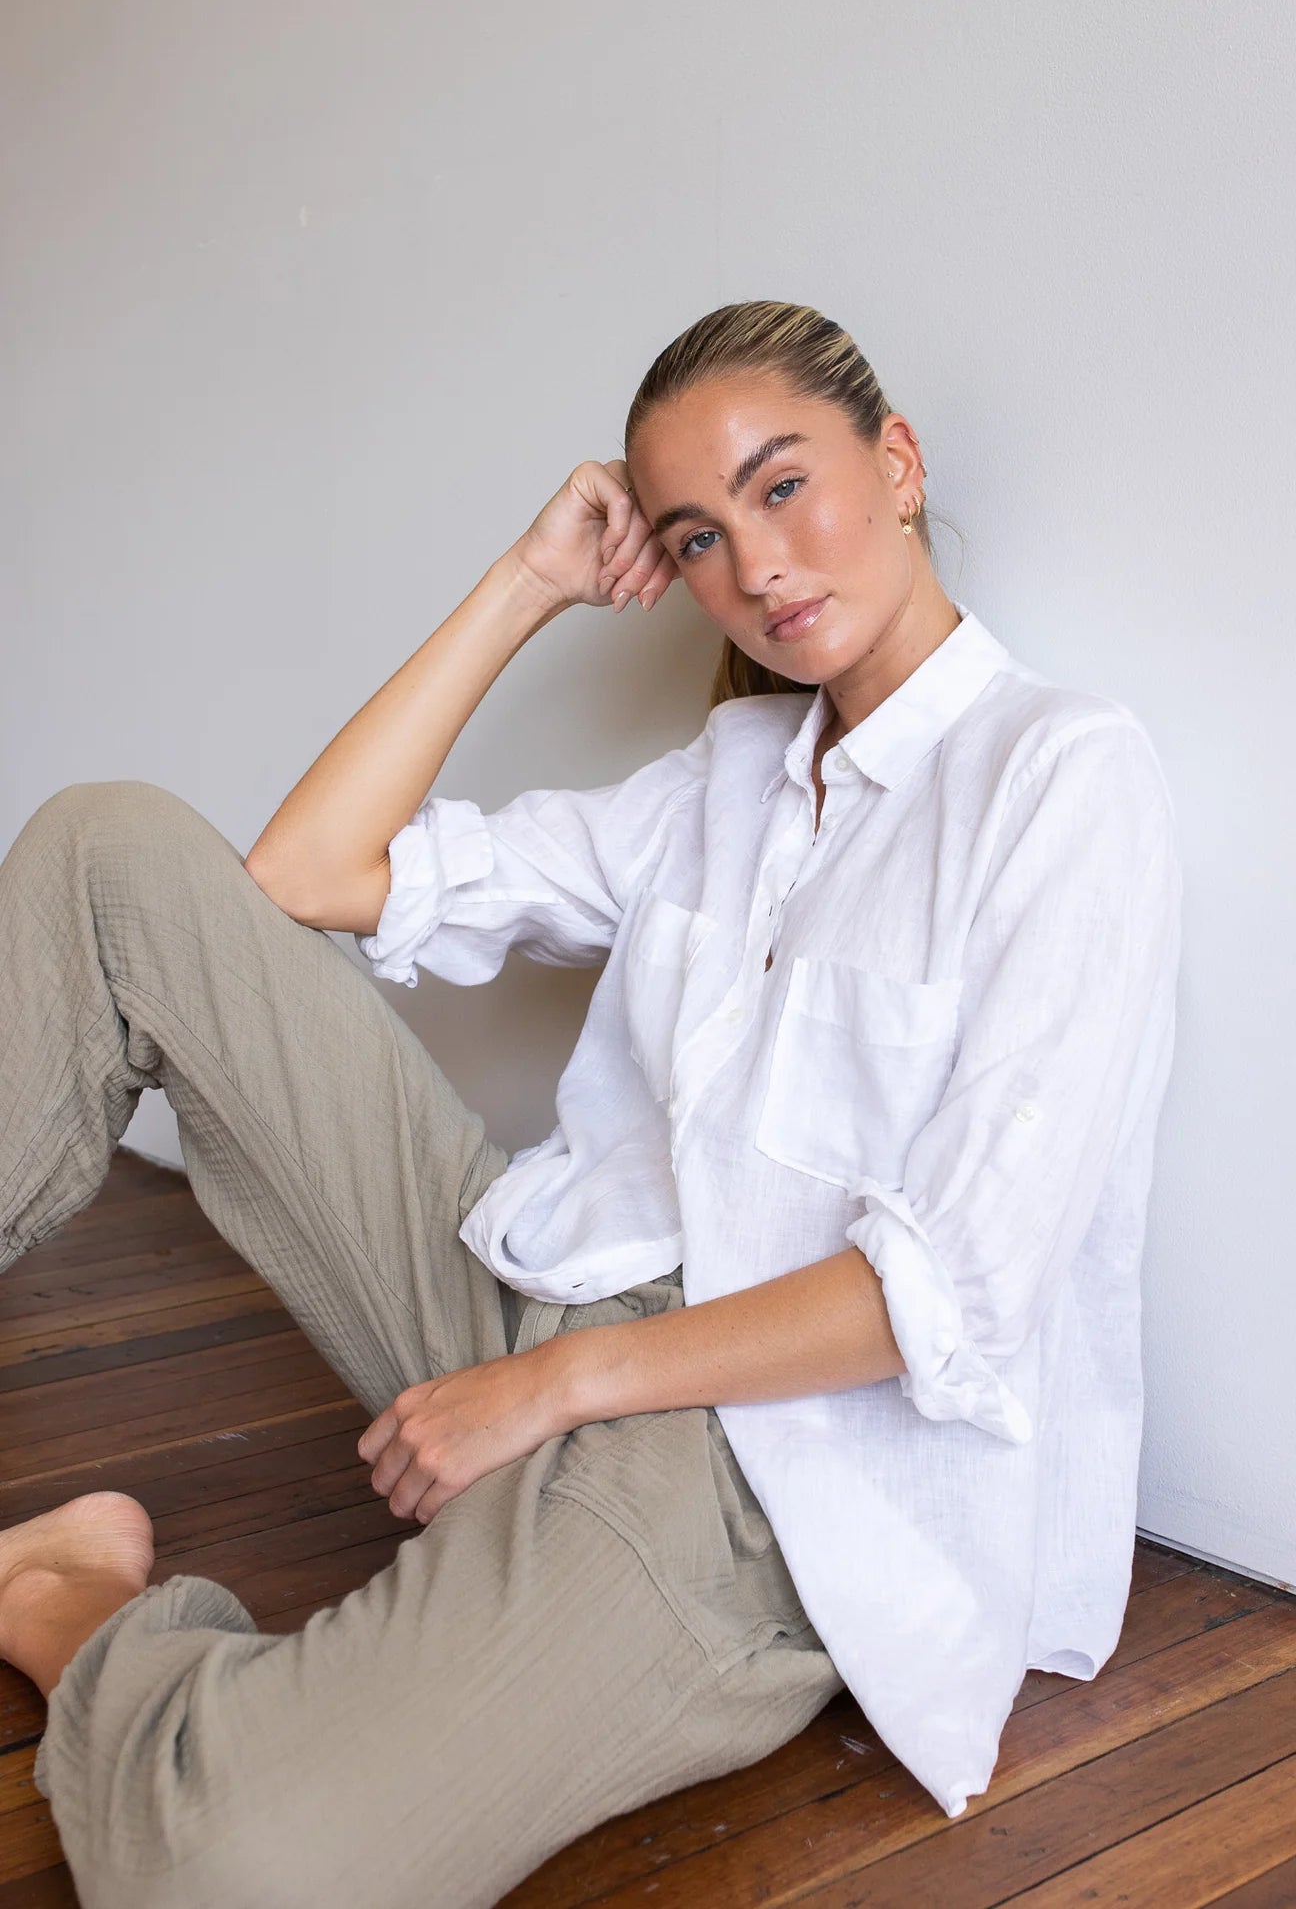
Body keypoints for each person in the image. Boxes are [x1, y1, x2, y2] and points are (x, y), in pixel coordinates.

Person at [0, 299, 1181, 1906]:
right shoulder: (725, 779)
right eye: (700, 533)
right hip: (539, 1296)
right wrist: (527, 585)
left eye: (785, 487)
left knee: (235, 1867)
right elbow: (300, 878)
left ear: (896, 465)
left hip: (756, 1472)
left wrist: (559, 1395)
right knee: (113, 850)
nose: (756, 567)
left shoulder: (1061, 775)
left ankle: (72, 1612)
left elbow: (950, 1292)